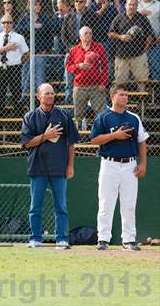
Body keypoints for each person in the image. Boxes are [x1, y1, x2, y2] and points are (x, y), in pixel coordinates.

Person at [21, 83, 80, 249]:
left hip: (59, 167)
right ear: (38, 96)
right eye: (46, 94)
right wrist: (46, 136)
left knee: (61, 206)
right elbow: (26, 143)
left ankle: (61, 239)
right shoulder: (30, 117)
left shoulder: (63, 115)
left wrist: (70, 166)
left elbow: (71, 143)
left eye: (52, 93)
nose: (49, 96)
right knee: (35, 207)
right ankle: (35, 238)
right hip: (37, 167)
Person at [90, 84, 149, 251]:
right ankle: (103, 239)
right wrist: (114, 135)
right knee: (106, 202)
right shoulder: (103, 117)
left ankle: (129, 239)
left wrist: (143, 163)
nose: (125, 97)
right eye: (121, 94)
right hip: (109, 164)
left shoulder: (133, 117)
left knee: (129, 203)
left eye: (126, 94)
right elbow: (94, 140)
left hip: (130, 164)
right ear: (112, 96)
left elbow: (142, 141)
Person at [108, 0, 155, 90]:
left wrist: (145, 50)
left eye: (134, 5)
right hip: (122, 56)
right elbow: (110, 33)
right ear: (125, 6)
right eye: (129, 4)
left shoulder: (143, 19)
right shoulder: (119, 18)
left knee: (142, 82)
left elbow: (149, 36)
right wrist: (121, 37)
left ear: (137, 6)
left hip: (138, 55)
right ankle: (122, 102)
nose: (131, 7)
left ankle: (142, 103)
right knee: (120, 82)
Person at [66, 26, 108, 129]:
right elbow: (68, 67)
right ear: (80, 36)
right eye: (86, 33)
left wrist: (103, 82)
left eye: (90, 33)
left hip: (96, 86)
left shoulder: (99, 47)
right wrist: (78, 66)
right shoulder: (74, 50)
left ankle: (101, 132)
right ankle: (79, 135)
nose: (89, 35)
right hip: (80, 86)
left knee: (101, 112)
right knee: (78, 114)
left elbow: (105, 66)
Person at [0, 13, 29, 116]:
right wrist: (6, 48)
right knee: (0, 94)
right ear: (1, 24)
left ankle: (17, 115)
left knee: (16, 93)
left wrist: (18, 61)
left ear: (12, 24)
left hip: (14, 68)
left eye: (9, 22)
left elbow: (26, 53)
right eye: (4, 22)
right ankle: (0, 116)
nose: (6, 25)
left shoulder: (19, 37)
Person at [61, 0, 98, 104]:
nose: (78, 4)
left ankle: (87, 102)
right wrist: (71, 48)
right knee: (69, 77)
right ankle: (69, 101)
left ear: (85, 2)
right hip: (72, 50)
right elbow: (63, 35)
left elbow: (95, 34)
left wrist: (87, 47)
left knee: (88, 77)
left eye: (81, 2)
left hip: (87, 51)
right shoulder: (69, 17)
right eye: (76, 1)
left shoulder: (91, 16)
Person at [16, 0, 53, 103]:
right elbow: (19, 31)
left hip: (40, 53)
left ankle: (40, 99)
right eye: (34, 4)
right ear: (29, 6)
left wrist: (46, 50)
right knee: (25, 75)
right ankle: (24, 97)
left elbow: (49, 35)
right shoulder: (24, 18)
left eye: (38, 4)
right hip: (27, 53)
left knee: (39, 77)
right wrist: (32, 26)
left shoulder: (44, 18)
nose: (36, 6)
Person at [137, 0, 159, 80]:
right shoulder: (135, 3)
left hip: (154, 42)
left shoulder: (158, 5)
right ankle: (139, 88)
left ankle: (156, 88)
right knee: (138, 67)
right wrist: (139, 13)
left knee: (155, 66)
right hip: (136, 43)